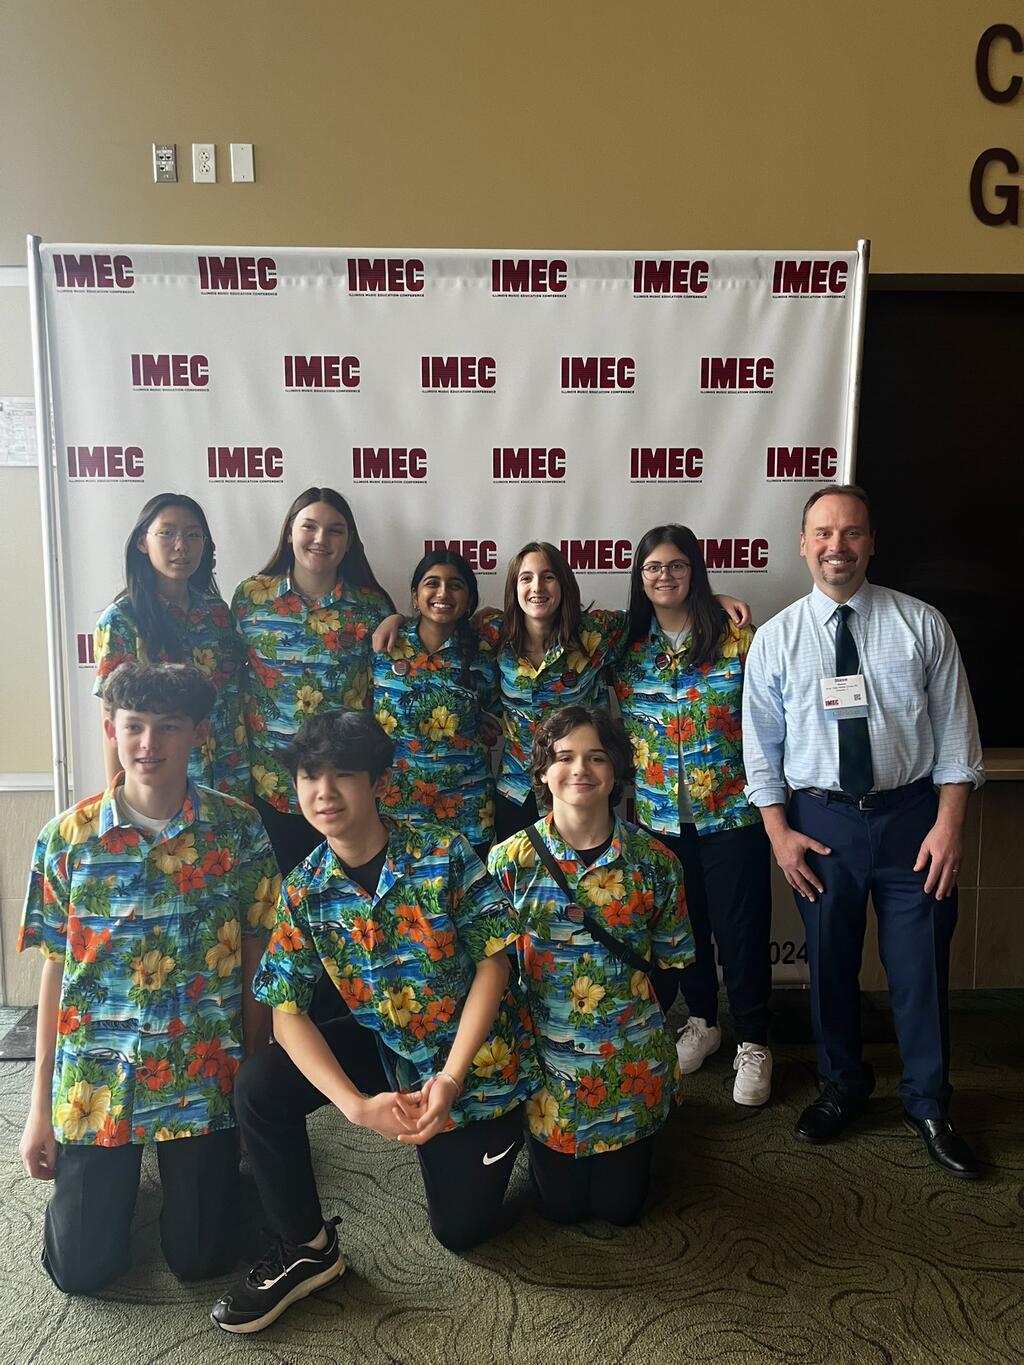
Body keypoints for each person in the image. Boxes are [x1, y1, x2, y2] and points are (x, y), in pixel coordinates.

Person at [210, 710, 534, 1335]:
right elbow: (285, 1012)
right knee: (260, 1085)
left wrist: (452, 1079)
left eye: (342, 776)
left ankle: (511, 1129)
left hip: (472, 1055)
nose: (324, 793)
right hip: (382, 1039)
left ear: (379, 783)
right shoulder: (305, 887)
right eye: (310, 777)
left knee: (461, 1231)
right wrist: (355, 1107)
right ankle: (307, 1248)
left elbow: (494, 965)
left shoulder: (442, 852)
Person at [742, 485, 984, 1177]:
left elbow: (958, 737)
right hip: (820, 824)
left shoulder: (921, 625)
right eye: (823, 533)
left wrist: (949, 824)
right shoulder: (777, 639)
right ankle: (843, 1087)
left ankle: (929, 1102)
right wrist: (779, 834)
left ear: (872, 543)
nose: (837, 546)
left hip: (913, 821)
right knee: (828, 965)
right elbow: (760, 749)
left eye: (851, 533)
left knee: (920, 969)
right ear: (803, 544)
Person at [18, 661, 280, 1294]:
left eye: (168, 727)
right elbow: (55, 968)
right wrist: (38, 1108)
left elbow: (257, 951)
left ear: (198, 733)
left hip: (201, 1071)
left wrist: (253, 1070)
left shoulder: (238, 830)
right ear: (112, 728)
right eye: (134, 726)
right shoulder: (67, 838)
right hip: (98, 1076)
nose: (149, 744)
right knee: (81, 1270)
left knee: (202, 1260)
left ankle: (216, 1183)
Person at [488, 705, 693, 1226]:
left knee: (621, 1209)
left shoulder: (656, 863)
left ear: (616, 769)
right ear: (542, 772)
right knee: (563, 1209)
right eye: (564, 757)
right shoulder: (507, 863)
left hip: (631, 1065)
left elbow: (671, 964)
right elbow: (493, 975)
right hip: (547, 1071)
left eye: (596, 757)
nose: (580, 769)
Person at [610, 525, 773, 1106]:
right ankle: (703, 1021)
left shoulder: (736, 638)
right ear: (640, 578)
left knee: (741, 931)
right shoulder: (624, 647)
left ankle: (754, 1040)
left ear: (695, 571)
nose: (665, 576)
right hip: (658, 819)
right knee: (684, 931)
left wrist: (717, 601)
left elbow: (770, 716)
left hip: (731, 813)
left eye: (677, 566)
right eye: (653, 567)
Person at [232, 487, 398, 875]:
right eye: (309, 526)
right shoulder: (251, 597)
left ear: (349, 541)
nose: (321, 539)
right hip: (272, 787)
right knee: (282, 898)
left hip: (346, 789)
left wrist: (398, 618)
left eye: (335, 530)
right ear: (290, 532)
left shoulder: (370, 606)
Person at [94, 493, 251, 803]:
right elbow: (113, 715)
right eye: (167, 533)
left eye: (193, 535)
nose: (181, 546)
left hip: (231, 776)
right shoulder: (122, 619)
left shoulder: (217, 612)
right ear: (142, 542)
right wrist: (117, 799)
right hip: (164, 783)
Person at [372, 550, 499, 859]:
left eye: (455, 585)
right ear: (415, 596)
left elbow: (501, 713)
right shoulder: (385, 645)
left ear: (469, 599)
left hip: (468, 809)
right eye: (432, 583)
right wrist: (395, 618)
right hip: (398, 807)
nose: (443, 593)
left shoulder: (485, 650)